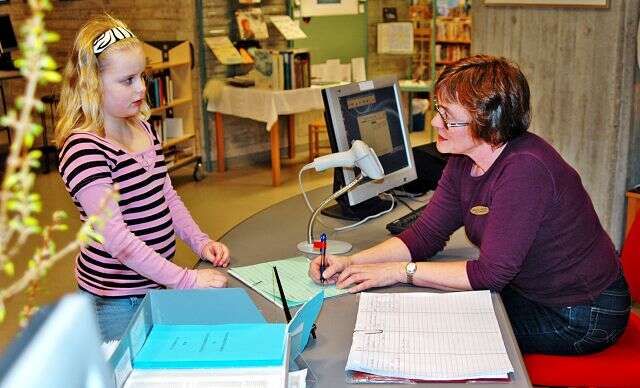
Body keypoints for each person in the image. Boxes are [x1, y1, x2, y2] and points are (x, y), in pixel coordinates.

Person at [309, 55, 631, 355]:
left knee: (442, 332)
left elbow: (489, 275)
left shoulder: (525, 171)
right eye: (438, 110)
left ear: (489, 124)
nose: (435, 123)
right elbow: (424, 236)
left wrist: (397, 272)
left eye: (449, 118)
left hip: (582, 312)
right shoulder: (465, 159)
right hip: (533, 292)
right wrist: (351, 263)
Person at [55, 15, 230, 341]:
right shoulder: (84, 149)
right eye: (127, 80)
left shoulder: (143, 127)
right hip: (113, 300)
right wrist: (186, 281)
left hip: (153, 284)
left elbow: (168, 196)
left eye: (142, 76)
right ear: (92, 84)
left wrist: (200, 241)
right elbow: (118, 242)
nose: (140, 88)